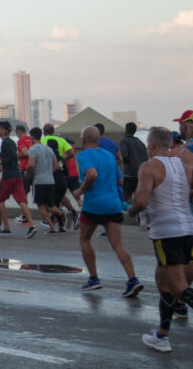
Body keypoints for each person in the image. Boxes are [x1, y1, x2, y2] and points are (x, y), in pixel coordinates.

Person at [127, 127, 193, 352]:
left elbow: (143, 201)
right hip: (188, 230)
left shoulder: (148, 167)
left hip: (167, 234)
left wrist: (131, 211)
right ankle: (162, 337)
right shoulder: (184, 164)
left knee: (178, 287)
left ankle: (162, 337)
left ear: (152, 144)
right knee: (163, 282)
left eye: (147, 144)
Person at [74, 126, 142, 297]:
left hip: (94, 205)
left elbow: (91, 174)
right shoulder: (110, 156)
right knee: (118, 244)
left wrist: (80, 191)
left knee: (84, 239)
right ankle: (132, 279)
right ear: (98, 139)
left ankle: (93, 278)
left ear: (83, 140)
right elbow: (120, 181)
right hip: (113, 205)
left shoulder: (83, 156)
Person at [0, 120, 35, 238]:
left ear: (3, 130)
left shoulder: (6, 142)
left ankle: (6, 227)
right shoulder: (11, 142)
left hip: (9, 176)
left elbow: (12, 157)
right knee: (21, 200)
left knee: (0, 200)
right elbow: (10, 156)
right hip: (17, 174)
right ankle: (32, 225)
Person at [27, 128, 66, 235]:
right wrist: (48, 172)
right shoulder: (49, 149)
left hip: (39, 181)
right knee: (48, 205)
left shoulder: (33, 149)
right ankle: (58, 219)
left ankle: (56, 222)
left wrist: (27, 173)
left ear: (33, 137)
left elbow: (31, 165)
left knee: (40, 206)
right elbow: (56, 166)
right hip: (50, 180)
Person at [119, 122, 149, 202]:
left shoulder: (124, 141)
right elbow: (146, 157)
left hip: (129, 175)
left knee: (126, 198)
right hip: (141, 175)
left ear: (126, 130)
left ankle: (130, 213)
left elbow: (123, 155)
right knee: (139, 198)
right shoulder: (140, 143)